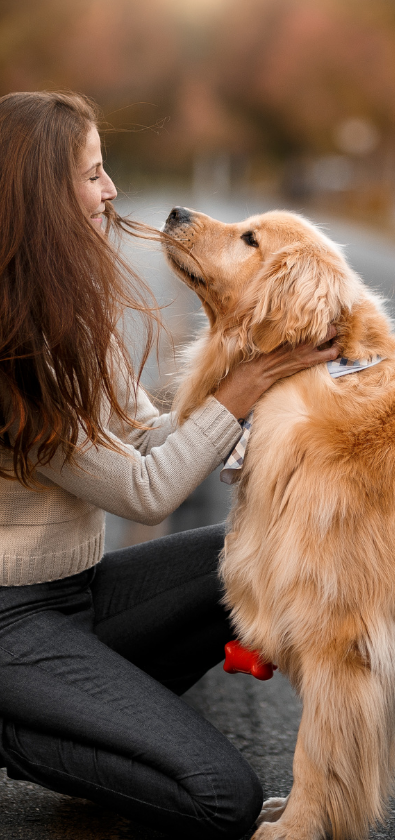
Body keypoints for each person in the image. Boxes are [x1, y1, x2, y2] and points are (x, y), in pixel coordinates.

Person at [0, 91, 339, 838]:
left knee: (259, 555)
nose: (111, 190)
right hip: (10, 622)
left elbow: (148, 435)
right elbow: (143, 491)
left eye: (106, 169)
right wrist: (243, 386)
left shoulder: (64, 300)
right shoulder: (11, 342)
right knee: (224, 800)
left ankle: (90, 731)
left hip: (77, 598)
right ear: (40, 193)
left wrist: (279, 441)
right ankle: (25, 733)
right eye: (91, 174)